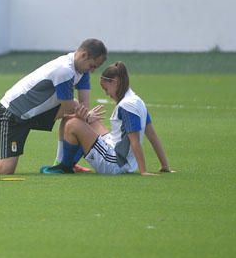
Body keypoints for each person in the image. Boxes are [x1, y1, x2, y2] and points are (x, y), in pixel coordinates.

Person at [0, 38, 108, 176]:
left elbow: (82, 106)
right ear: (84, 55)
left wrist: (85, 114)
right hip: (11, 114)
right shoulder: (65, 70)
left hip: (32, 112)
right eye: (93, 66)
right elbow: (69, 105)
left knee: (73, 116)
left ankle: (63, 164)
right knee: (4, 169)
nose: (92, 71)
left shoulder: (81, 70)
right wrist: (85, 115)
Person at [41, 61, 173, 175]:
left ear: (115, 82)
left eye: (106, 89)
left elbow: (135, 141)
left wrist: (143, 171)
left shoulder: (127, 106)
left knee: (73, 123)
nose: (106, 93)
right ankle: (66, 163)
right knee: (87, 119)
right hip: (116, 152)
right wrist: (165, 166)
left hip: (114, 163)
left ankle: (65, 167)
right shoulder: (137, 101)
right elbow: (153, 136)